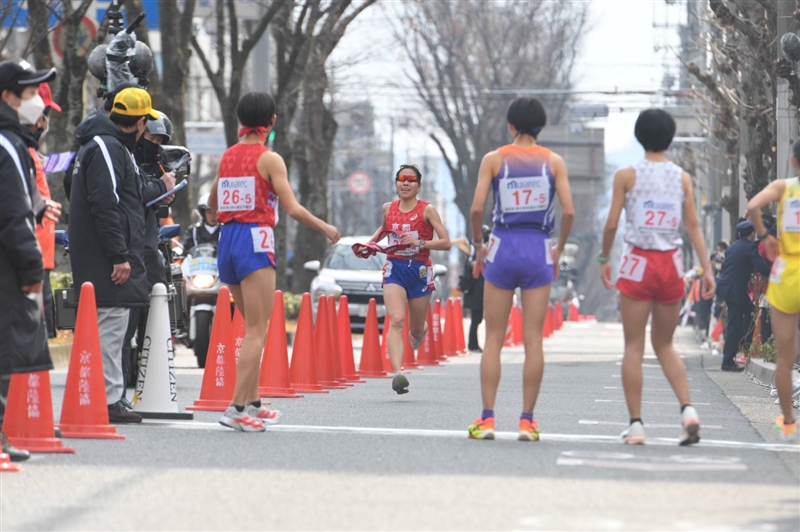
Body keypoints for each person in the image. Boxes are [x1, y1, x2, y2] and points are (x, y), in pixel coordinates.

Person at [208, 92, 340, 432]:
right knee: (257, 328)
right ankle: (236, 408)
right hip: (255, 238)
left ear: (240, 120)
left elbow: (212, 201)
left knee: (251, 323)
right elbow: (293, 208)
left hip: (227, 239)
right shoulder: (270, 158)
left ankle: (252, 402)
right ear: (273, 121)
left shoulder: (228, 156)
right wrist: (324, 226)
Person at [599, 108, 714, 446]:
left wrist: (604, 258)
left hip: (637, 261)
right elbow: (692, 225)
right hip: (671, 265)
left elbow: (610, 224)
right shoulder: (682, 178)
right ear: (670, 138)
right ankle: (688, 410)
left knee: (634, 346)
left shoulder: (626, 175)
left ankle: (636, 426)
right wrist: (706, 270)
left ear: (639, 135)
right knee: (665, 344)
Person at [467, 97, 575, 441]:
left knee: (494, 338)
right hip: (538, 247)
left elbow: (476, 209)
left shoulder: (494, 159)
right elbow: (570, 212)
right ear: (541, 127)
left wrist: (479, 247)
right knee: (533, 340)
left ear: (511, 126)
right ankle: (527, 421)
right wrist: (557, 248)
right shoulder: (553, 161)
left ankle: (486, 419)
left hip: (502, 244)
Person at [69, 87, 161, 423]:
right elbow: (106, 204)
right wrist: (119, 255)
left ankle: (102, 395)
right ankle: (108, 400)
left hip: (100, 255)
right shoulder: (108, 148)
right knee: (110, 328)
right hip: (107, 259)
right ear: (138, 122)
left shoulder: (100, 143)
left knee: (106, 328)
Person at [0, 60, 61, 461]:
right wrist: (31, 267)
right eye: (29, 93)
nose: (35, 101)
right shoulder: (7, 145)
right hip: (7, 266)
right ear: (7, 96)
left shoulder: (11, 142)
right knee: (4, 352)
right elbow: (11, 214)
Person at [363, 164, 451, 395]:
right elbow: (383, 231)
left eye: (411, 180)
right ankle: (398, 373)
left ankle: (419, 333)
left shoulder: (427, 210)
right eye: (401, 179)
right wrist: (369, 245)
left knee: (415, 327)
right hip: (395, 267)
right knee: (397, 319)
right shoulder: (388, 208)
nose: (405, 183)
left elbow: (446, 242)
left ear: (418, 185)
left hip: (420, 270)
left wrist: (420, 243)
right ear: (396, 183)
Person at [745, 138, 800, 441]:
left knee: (784, 358)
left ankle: (788, 421)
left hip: (788, 271)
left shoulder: (784, 187)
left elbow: (752, 205)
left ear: (793, 161)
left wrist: (766, 236)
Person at [17, 80, 61, 338]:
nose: (44, 124)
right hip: (30, 255)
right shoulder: (21, 150)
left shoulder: (29, 151)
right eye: (44, 115)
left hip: (39, 255)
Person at [715, 219, 771, 371]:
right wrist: (775, 275)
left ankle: (743, 344)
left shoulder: (731, 248)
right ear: (752, 234)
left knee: (750, 312)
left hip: (728, 289)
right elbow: (761, 266)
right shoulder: (750, 248)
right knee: (735, 324)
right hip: (736, 291)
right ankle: (728, 360)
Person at [459, 225, 491, 353]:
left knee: (480, 319)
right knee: (476, 319)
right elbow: (470, 265)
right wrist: (478, 262)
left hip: (483, 289)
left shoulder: (487, 248)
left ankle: (477, 344)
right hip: (475, 290)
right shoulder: (473, 249)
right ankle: (473, 344)